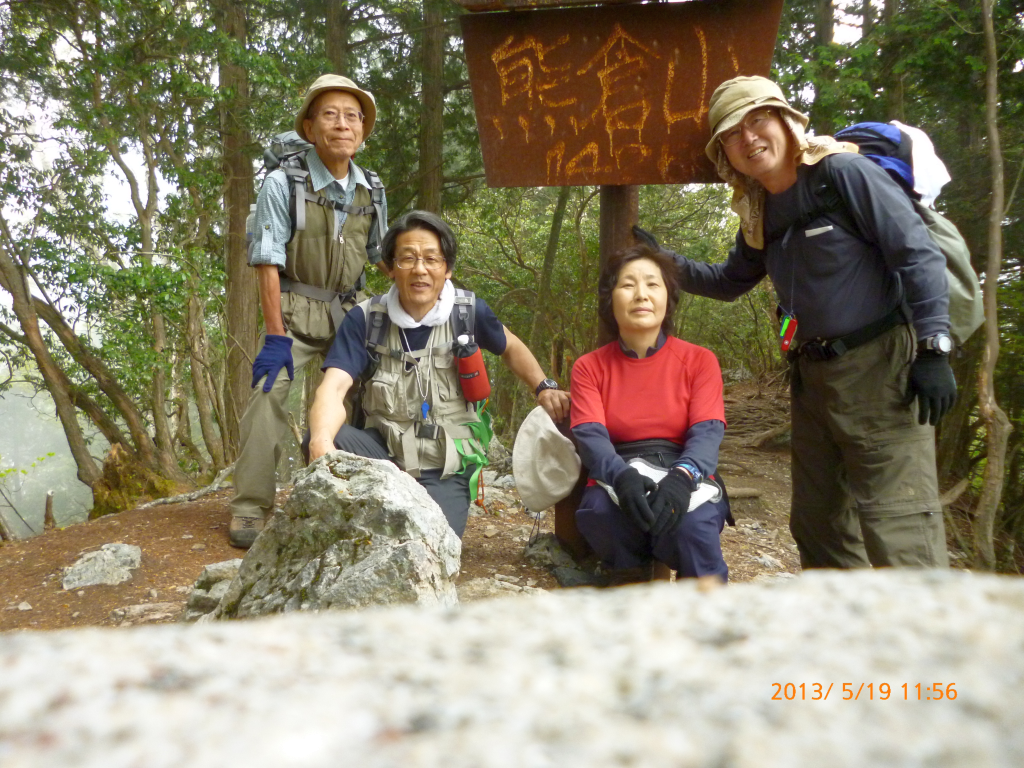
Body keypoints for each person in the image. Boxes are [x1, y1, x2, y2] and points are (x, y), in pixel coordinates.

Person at [636, 75, 955, 569]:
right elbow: (729, 281)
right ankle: (836, 633)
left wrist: (934, 347)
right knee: (818, 523)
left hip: (881, 369)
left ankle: (922, 642)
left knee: (898, 524)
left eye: (757, 120)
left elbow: (917, 254)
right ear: (724, 152)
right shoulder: (760, 210)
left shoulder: (844, 173)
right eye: (732, 134)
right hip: (812, 379)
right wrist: (663, 261)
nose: (749, 138)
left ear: (786, 121)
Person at [306, 210, 570, 538]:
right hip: (382, 455)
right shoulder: (366, 320)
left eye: (432, 258)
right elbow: (332, 388)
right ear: (390, 267)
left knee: (432, 543)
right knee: (323, 437)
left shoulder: (467, 312)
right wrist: (320, 441)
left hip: (444, 467)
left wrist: (543, 386)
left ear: (447, 268)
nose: (420, 269)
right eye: (407, 258)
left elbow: (511, 346)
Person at [229, 74, 388, 549]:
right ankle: (250, 507)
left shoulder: (371, 190)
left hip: (351, 313)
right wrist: (276, 338)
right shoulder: (283, 184)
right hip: (294, 312)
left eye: (353, 116)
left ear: (363, 130)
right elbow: (267, 263)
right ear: (309, 127)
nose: (343, 124)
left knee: (375, 392)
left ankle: (364, 493)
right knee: (267, 392)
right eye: (331, 114)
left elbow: (380, 255)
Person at [569, 243, 731, 584]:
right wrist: (621, 477)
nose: (640, 294)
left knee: (693, 526)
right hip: (620, 470)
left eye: (652, 284)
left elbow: (708, 429)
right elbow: (590, 433)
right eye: (627, 285)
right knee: (600, 513)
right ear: (609, 299)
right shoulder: (589, 367)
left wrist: (682, 478)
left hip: (683, 468)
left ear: (668, 298)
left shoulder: (700, 360)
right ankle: (631, 583)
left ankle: (708, 620)